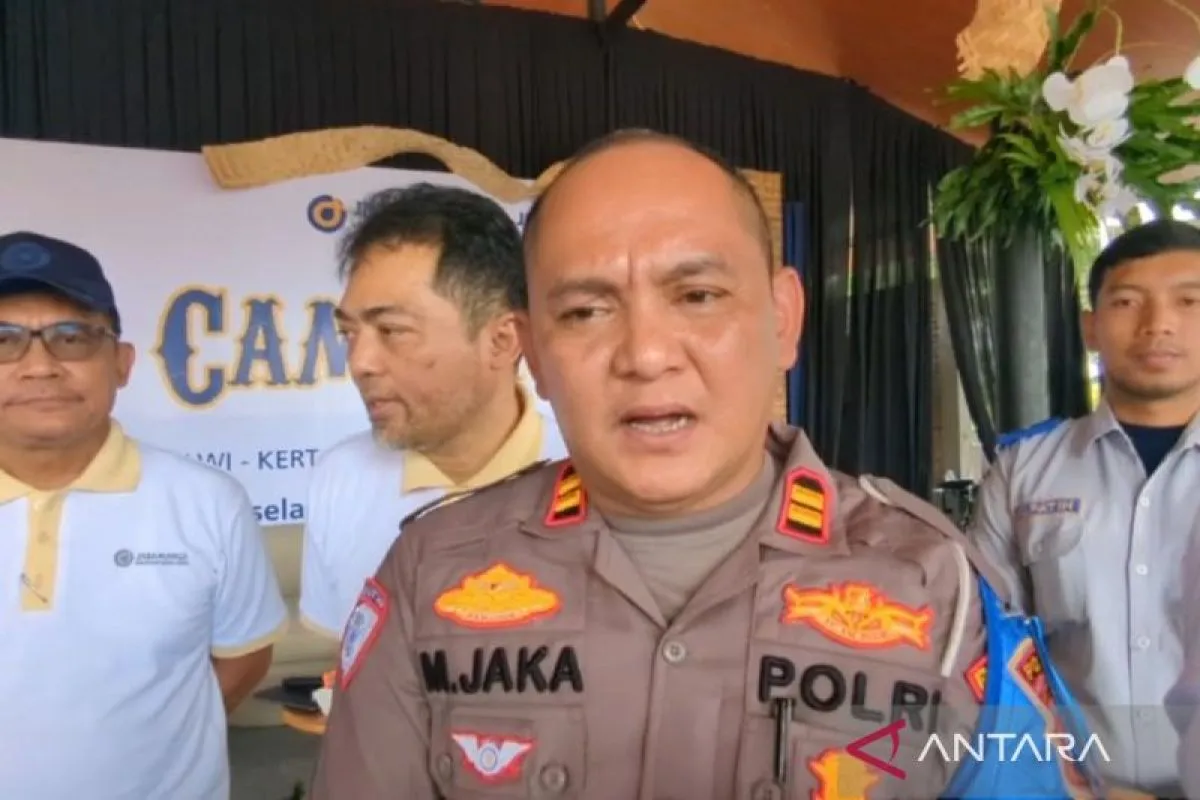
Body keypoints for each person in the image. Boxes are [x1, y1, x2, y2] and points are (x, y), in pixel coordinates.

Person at [310, 131, 1102, 800]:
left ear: (783, 319)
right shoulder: (430, 576)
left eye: (696, 296)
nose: (646, 354)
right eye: (585, 311)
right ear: (535, 354)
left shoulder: (936, 585)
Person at [0, 232, 288, 799]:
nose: (39, 367)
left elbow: (245, 659)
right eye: (3, 341)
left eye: (71, 337)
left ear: (122, 363)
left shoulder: (208, 502)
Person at [969, 219, 1200, 797]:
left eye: (1188, 301)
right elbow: (985, 650)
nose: (1158, 324)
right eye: (1127, 301)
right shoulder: (1023, 472)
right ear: (1090, 327)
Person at [299, 184, 567, 639]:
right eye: (349, 334)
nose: (360, 363)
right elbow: (349, 662)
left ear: (503, 340)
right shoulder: (340, 478)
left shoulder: (596, 474)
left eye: (391, 330)